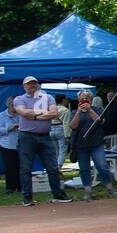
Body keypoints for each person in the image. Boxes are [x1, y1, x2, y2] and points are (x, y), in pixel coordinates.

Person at [12, 76, 71, 205]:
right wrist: (44, 113)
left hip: (45, 136)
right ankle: (27, 198)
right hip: (26, 136)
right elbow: (23, 113)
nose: (32, 86)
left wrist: (33, 116)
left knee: (53, 167)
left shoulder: (48, 97)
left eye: (34, 83)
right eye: (29, 84)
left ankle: (58, 195)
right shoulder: (19, 99)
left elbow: (54, 113)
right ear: (24, 86)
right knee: (25, 168)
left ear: (38, 85)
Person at [69, 89, 117, 199]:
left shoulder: (98, 109)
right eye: (82, 99)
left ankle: (110, 188)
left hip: (96, 143)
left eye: (86, 99)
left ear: (91, 100)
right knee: (84, 168)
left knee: (102, 166)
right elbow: (72, 126)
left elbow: (101, 121)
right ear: (78, 100)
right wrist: (78, 112)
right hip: (81, 145)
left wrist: (90, 110)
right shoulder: (74, 112)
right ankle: (88, 191)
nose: (84, 101)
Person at [0, 96, 21, 198]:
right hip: (6, 145)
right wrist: (9, 128)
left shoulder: (21, 115)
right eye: (12, 105)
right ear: (8, 104)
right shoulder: (2, 115)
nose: (14, 107)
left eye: (16, 105)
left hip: (20, 145)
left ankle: (20, 187)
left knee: (20, 167)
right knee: (9, 167)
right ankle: (10, 187)